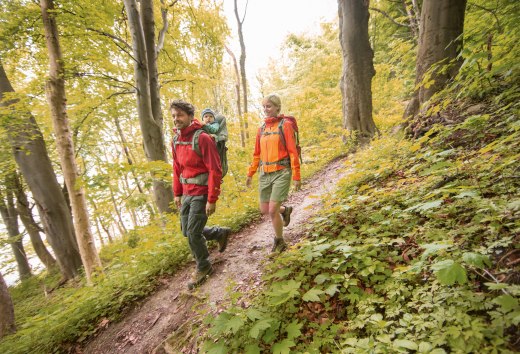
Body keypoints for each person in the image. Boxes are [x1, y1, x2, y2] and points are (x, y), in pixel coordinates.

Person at [170, 100, 231, 290]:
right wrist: (177, 193)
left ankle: (204, 266)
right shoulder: (176, 140)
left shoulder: (202, 138)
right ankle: (219, 233)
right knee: (186, 231)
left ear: (189, 116)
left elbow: (215, 169)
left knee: (193, 233)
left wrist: (212, 199)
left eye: (179, 115)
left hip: (202, 191)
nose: (176, 119)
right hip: (186, 192)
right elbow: (177, 167)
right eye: (173, 116)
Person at [246, 94, 301, 253]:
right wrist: (251, 173)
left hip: (282, 172)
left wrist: (296, 175)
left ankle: (279, 241)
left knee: (271, 210)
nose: (265, 109)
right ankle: (286, 210)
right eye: (264, 107)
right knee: (264, 209)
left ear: (277, 107)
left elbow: (292, 152)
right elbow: (257, 154)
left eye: (268, 106)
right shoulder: (261, 129)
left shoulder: (285, 125)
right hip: (265, 174)